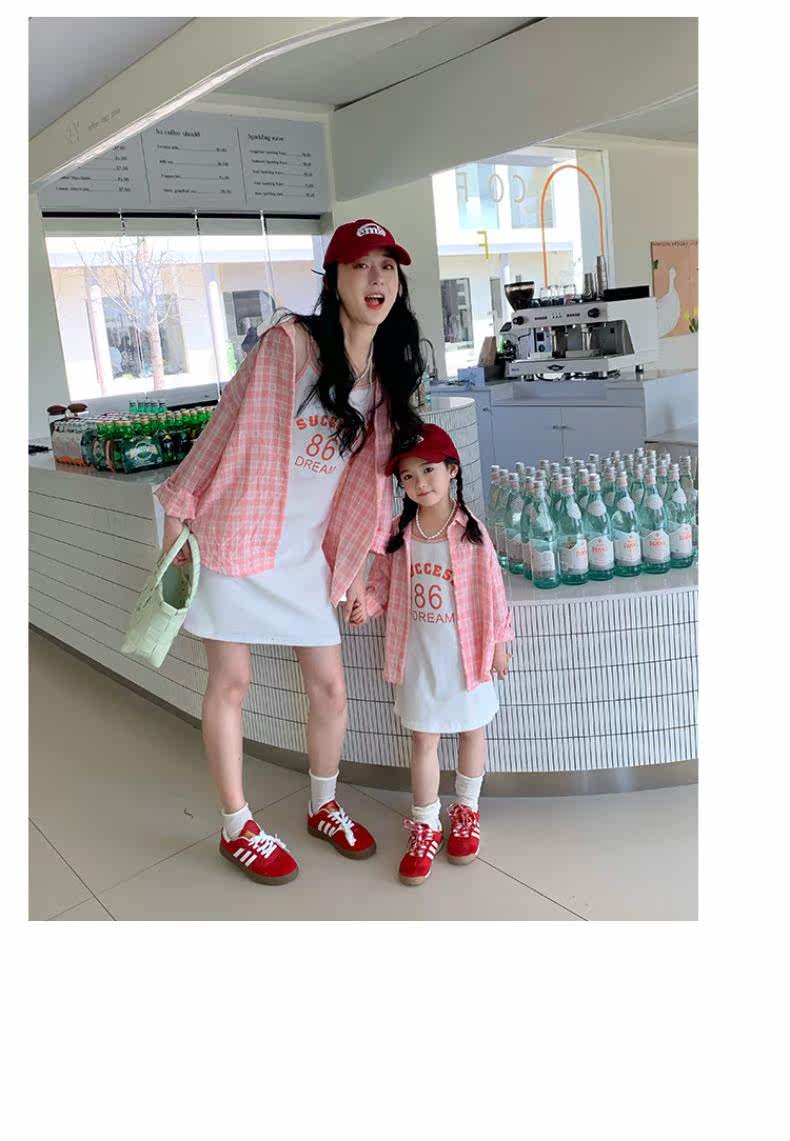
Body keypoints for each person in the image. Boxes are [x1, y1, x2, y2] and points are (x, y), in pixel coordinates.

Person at [155, 219, 424, 885]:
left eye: (387, 267)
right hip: (237, 538)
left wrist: (361, 570)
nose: (376, 279)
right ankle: (236, 825)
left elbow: (372, 488)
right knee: (232, 683)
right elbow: (226, 429)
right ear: (334, 278)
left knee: (331, 689)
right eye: (360, 265)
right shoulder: (290, 346)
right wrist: (177, 511)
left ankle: (322, 804)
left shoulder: (384, 377)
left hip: (306, 554)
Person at [357, 424, 513, 886]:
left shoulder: (472, 532)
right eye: (408, 476)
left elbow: (494, 591)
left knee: (471, 730)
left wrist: (500, 643)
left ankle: (466, 810)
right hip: (419, 659)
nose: (420, 483)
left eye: (428, 470)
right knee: (423, 739)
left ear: (451, 470)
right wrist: (367, 604)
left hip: (467, 656)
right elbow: (382, 585)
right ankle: (425, 824)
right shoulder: (399, 532)